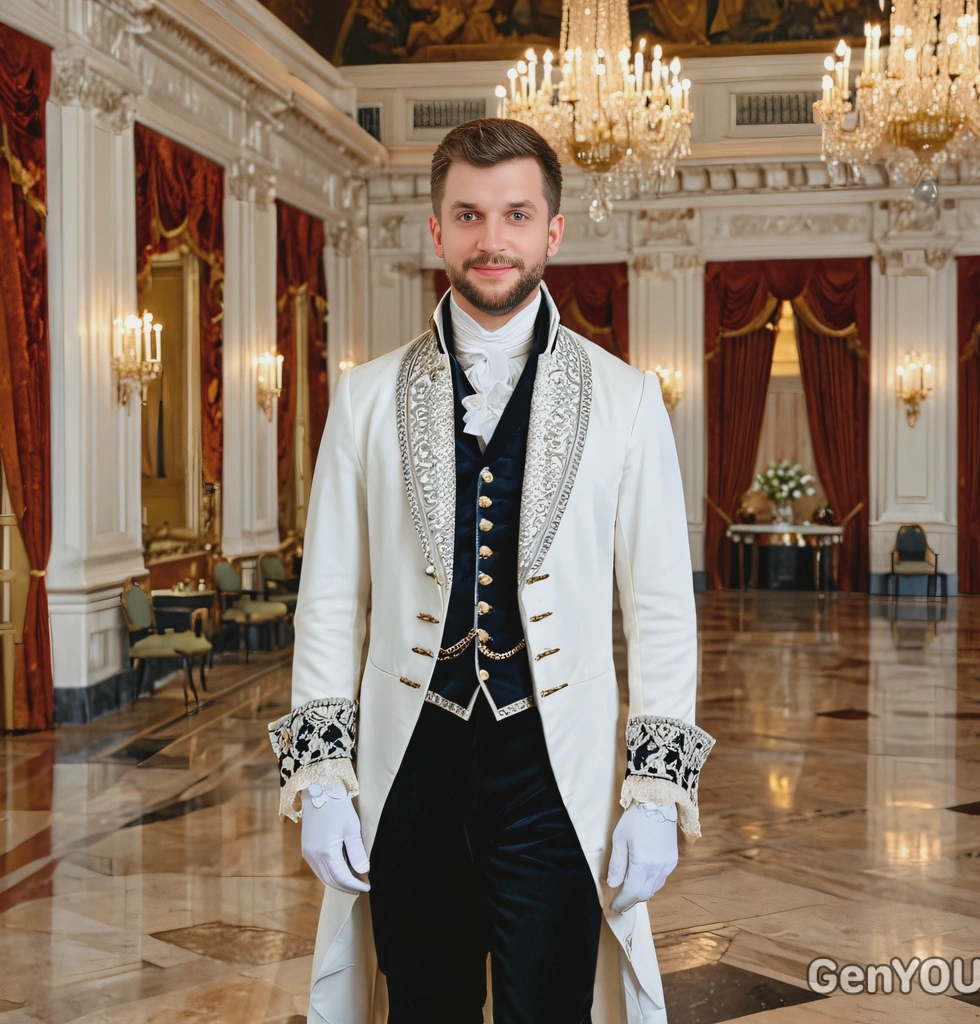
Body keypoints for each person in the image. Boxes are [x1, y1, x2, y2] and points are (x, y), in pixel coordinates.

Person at [268, 117, 714, 1024]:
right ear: (436, 231)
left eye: (516, 214)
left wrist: (658, 793)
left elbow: (662, 611)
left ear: (553, 231)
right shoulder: (363, 399)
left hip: (557, 776)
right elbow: (327, 607)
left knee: (549, 1008)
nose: (492, 239)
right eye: (468, 216)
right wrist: (320, 782)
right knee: (422, 1007)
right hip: (410, 770)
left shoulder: (628, 401)